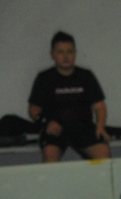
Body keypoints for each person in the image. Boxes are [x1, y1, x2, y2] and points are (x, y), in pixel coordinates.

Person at [28, 31, 110, 163]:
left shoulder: (86, 76)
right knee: (50, 155)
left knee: (104, 153)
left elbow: (100, 107)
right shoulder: (44, 78)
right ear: (52, 54)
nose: (66, 56)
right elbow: (33, 110)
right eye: (60, 52)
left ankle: (97, 182)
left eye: (69, 52)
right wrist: (47, 123)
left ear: (75, 53)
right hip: (56, 130)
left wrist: (100, 127)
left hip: (83, 128)